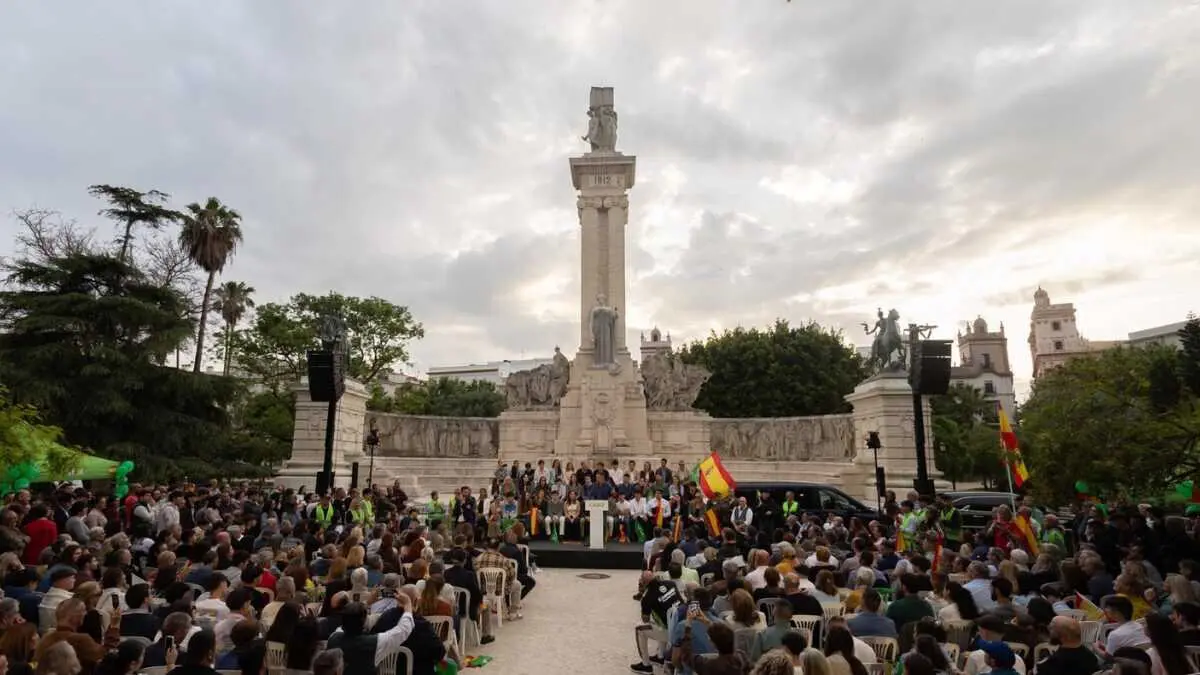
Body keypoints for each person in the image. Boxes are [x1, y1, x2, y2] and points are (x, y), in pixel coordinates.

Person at [1033, 616, 1099, 675]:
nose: (1049, 630)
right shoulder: (1091, 658)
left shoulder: (1051, 665)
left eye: (1051, 628)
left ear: (1063, 636)